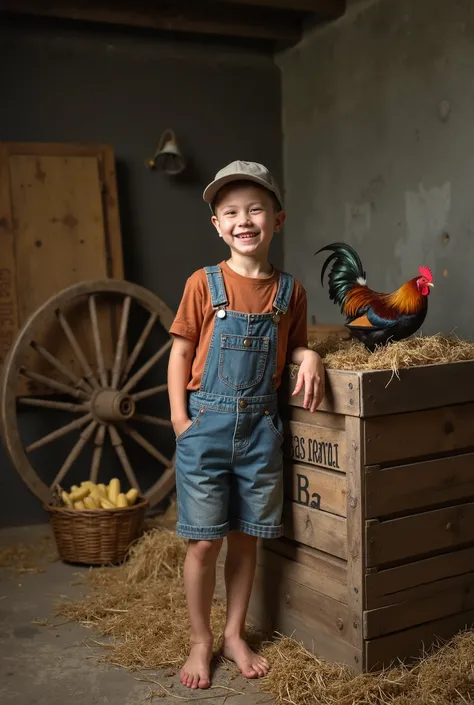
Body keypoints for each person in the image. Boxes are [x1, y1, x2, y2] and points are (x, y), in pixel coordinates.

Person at [167, 160, 325, 690]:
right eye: (231, 211)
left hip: (260, 431)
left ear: (277, 220)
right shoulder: (203, 284)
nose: (244, 220)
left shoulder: (290, 292)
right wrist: (179, 420)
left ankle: (234, 634)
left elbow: (296, 342)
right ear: (216, 224)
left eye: (255, 209)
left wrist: (310, 358)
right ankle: (200, 640)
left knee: (246, 538)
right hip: (205, 429)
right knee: (203, 543)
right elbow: (181, 351)